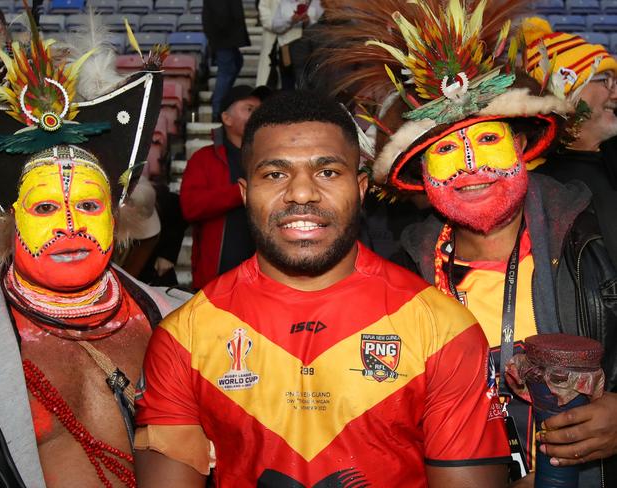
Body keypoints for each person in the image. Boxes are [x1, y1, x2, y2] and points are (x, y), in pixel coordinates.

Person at [134, 90, 511, 487]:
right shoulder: (184, 336)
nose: (301, 193)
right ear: (245, 194)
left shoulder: (444, 329)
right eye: (275, 174)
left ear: (362, 188)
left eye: (328, 172)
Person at [320, 0, 617, 486]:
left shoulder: (599, 231)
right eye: (445, 151)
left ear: (521, 146)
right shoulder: (399, 278)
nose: (470, 167)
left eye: (487, 141)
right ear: (421, 175)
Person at [0, 12, 187, 487]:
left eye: (88, 204)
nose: (70, 227)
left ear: (115, 215)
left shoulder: (184, 322)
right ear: (10, 220)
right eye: (45, 207)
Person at [523, 17, 617, 268]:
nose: (616, 93)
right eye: (605, 80)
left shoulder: (610, 155)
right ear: (566, 91)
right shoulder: (536, 184)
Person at [180, 85, 271, 291]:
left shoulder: (273, 158)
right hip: (216, 280)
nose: (258, 116)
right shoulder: (203, 158)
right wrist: (241, 192)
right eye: (249, 109)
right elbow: (190, 207)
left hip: (266, 278)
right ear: (226, 119)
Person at [256, 0, 324, 89]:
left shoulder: (316, 2)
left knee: (307, 82)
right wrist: (291, 20)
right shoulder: (285, 3)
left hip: (309, 49)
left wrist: (308, 21)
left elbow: (322, 24)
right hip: (286, 48)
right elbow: (272, 23)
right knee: (287, 82)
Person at [203, 0, 251, 121]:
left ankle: (219, 99)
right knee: (227, 70)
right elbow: (221, 15)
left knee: (237, 62)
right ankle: (217, 109)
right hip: (224, 36)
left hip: (226, 36)